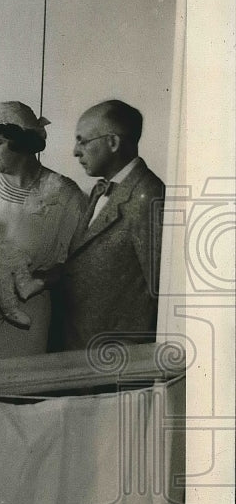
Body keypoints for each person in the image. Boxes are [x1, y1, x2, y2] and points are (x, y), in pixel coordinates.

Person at [0, 101, 87, 362]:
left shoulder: (63, 193)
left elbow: (78, 262)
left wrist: (39, 281)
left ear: (22, 141)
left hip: (28, 310)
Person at [52, 100, 165, 351]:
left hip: (115, 359)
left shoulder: (148, 195)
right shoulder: (101, 189)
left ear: (112, 143)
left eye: (83, 141)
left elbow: (162, 292)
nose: (75, 151)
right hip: (82, 347)